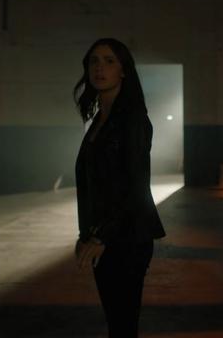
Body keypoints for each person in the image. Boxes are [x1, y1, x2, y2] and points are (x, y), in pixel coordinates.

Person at [73, 38, 166, 338]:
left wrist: (102, 235)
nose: (100, 67)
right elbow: (91, 184)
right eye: (94, 61)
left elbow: (135, 186)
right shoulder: (100, 118)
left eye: (109, 61)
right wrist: (85, 232)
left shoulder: (133, 120)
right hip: (105, 234)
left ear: (124, 70)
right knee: (117, 323)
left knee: (123, 325)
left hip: (127, 236)